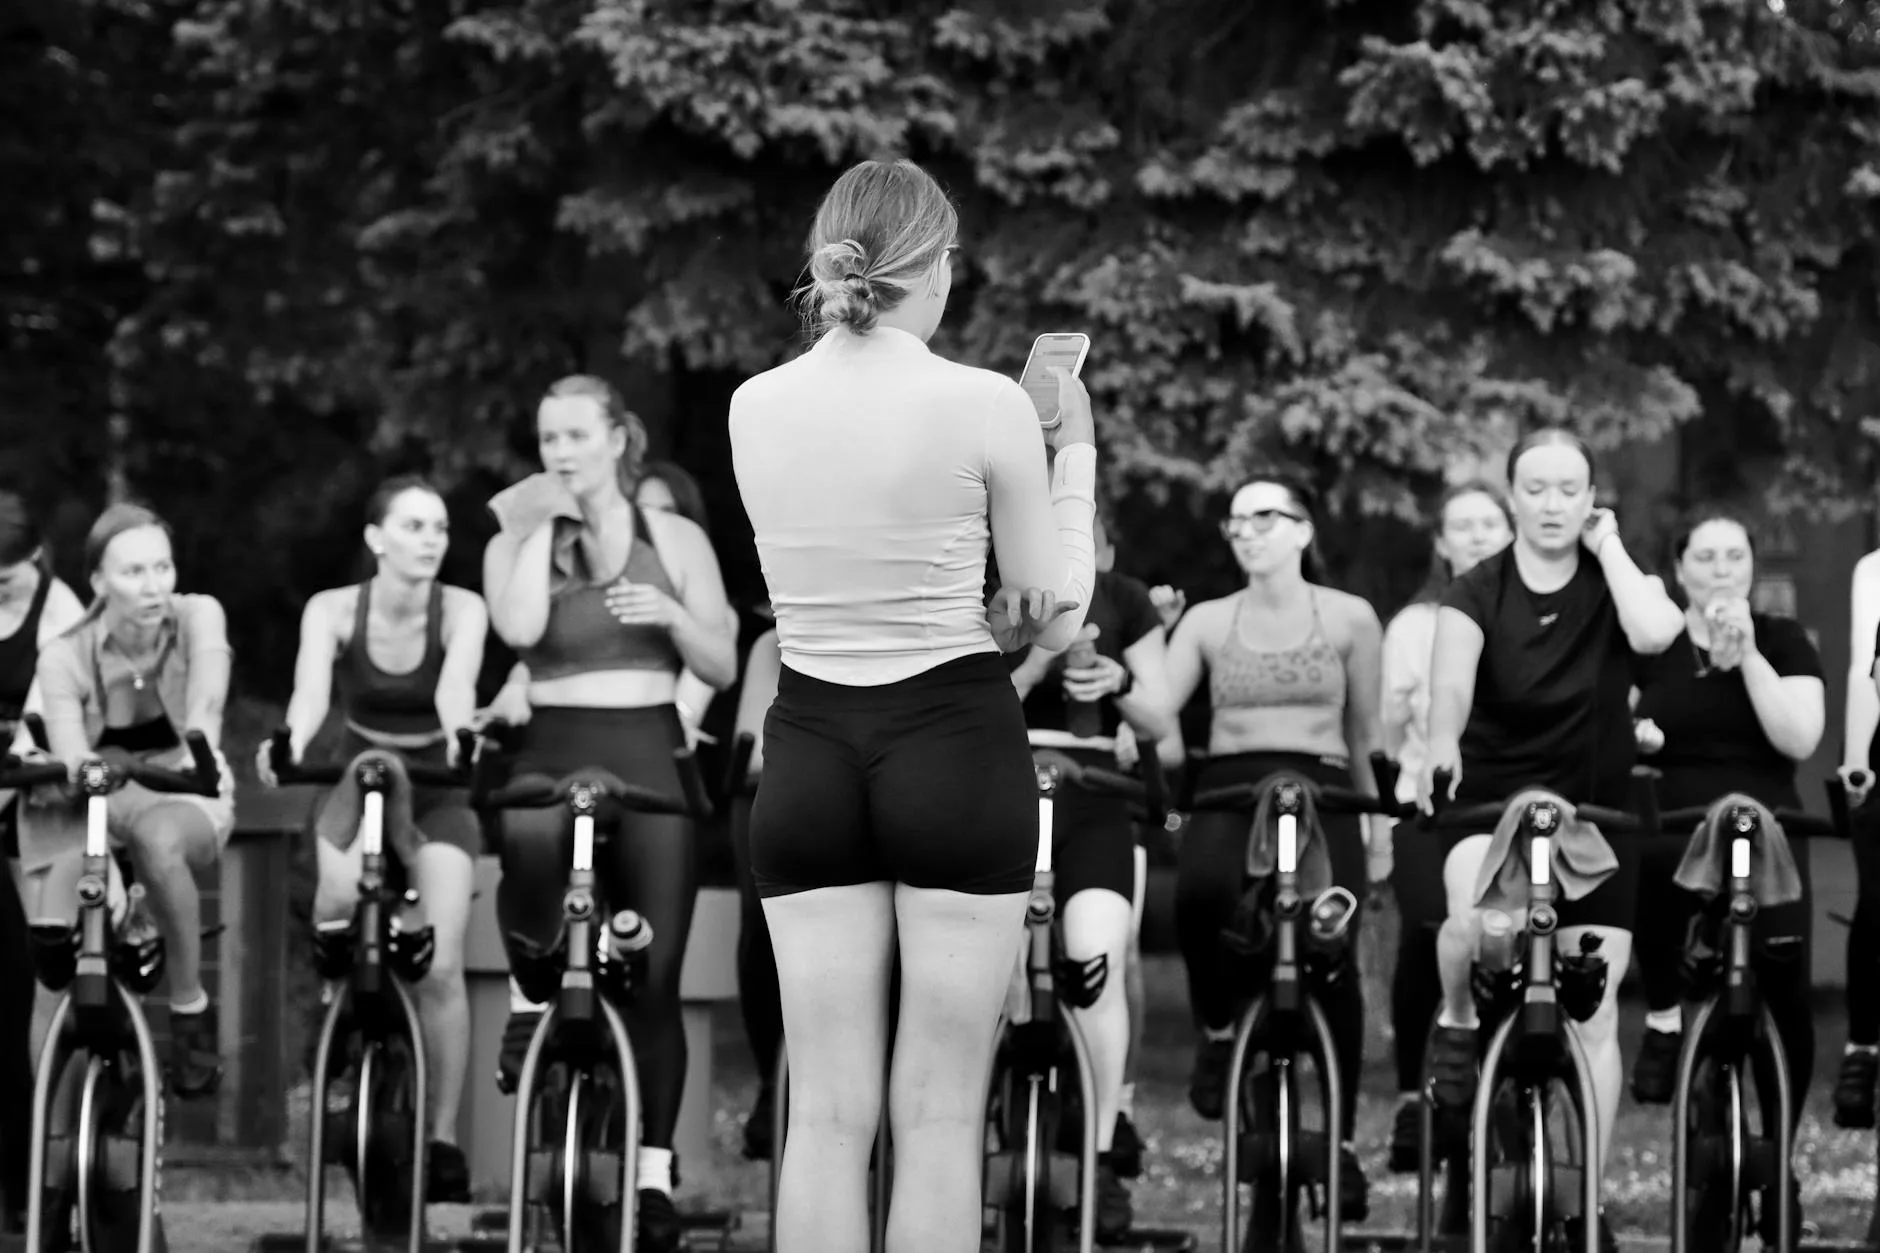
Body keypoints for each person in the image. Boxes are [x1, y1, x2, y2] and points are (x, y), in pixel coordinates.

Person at [729, 157, 1097, 1253]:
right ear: (934, 264)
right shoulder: (985, 402)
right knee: (938, 1115)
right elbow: (1053, 611)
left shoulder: (755, 405)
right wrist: (1067, 456)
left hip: (807, 752)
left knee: (827, 1116)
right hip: (951, 740)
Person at [482, 375, 737, 1253]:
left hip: (650, 745)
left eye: (576, 436)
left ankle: (653, 1173)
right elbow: (516, 629)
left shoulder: (676, 536)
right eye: (547, 437)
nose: (559, 453)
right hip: (553, 740)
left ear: (618, 439)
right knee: (528, 831)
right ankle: (531, 989)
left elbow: (724, 660)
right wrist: (536, 526)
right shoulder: (520, 532)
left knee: (655, 978)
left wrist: (669, 610)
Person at [1416, 428, 1683, 1249]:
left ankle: (1589, 1196)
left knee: (1595, 1014)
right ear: (1511, 497)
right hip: (1493, 803)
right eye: (1537, 487)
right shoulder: (1476, 589)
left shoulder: (1613, 578)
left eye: (1571, 488)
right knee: (1475, 927)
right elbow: (1451, 682)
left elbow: (1656, 634)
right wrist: (1441, 741)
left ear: (1592, 495)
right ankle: (1460, 1018)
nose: (1554, 503)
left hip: (1596, 815)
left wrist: (1612, 549)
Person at [1164, 470, 1388, 1221]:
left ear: (1303, 528)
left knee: (1336, 951)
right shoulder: (1205, 620)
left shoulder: (1353, 617)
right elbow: (1160, 716)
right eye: (1236, 521)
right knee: (1197, 893)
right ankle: (1221, 1029)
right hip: (1229, 787)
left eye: (1265, 516)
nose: (1248, 531)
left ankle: (1345, 1140)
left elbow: (1364, 736)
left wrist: (1377, 827)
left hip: (1325, 789)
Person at [258, 476, 487, 1200]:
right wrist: (288, 742)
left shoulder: (462, 608)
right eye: (414, 526)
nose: (430, 540)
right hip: (356, 778)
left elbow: (456, 689)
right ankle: (336, 1008)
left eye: (440, 528)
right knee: (334, 895)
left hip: (437, 789)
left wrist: (461, 736)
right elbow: (310, 695)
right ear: (375, 537)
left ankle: (444, 1136)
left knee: (441, 963)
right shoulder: (333, 609)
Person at [1629, 509, 1823, 1237]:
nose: (1719, 568)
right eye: (1704, 556)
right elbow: (1615, 729)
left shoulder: (1783, 638)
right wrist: (1636, 735)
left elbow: (1799, 735)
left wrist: (1746, 658)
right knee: (1651, 883)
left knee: (1786, 985)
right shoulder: (1653, 645)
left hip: (1766, 825)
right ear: (1680, 569)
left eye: (1732, 555)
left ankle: (1780, 1156)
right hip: (1674, 828)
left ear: (1749, 566)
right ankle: (1667, 1018)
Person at [20, 503, 238, 1098]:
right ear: (98, 582)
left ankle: (190, 1010)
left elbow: (207, 703)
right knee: (51, 972)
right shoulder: (66, 652)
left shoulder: (198, 616)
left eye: (163, 568)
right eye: (134, 572)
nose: (154, 587)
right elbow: (70, 758)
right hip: (90, 803)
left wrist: (200, 747)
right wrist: (85, 770)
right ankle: (49, 1135)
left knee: (158, 840)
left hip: (178, 789)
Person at [1005, 512, 1177, 1240]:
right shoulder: (1002, 591)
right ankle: (994, 1132)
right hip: (1005, 780)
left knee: (1096, 957)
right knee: (996, 972)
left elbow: (1162, 718)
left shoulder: (1127, 598)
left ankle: (1104, 1147)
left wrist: (1120, 682)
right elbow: (973, 704)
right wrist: (1039, 661)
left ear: (1102, 548)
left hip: (1100, 789)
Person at [1378, 480, 1513, 1169]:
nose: (1479, 535)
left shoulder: (1533, 615)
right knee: (1429, 932)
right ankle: (1414, 1095)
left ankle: (1510, 1087)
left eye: (1491, 521)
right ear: (1442, 542)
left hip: (1508, 803)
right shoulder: (1415, 625)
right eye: (1464, 525)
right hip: (1427, 806)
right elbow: (1389, 723)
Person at [0, 493, 84, 1229]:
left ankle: (36, 1182)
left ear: (34, 560)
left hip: (33, 798)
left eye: (7, 578)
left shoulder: (62, 613)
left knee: (27, 982)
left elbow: (48, 722)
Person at [727, 620, 783, 1160]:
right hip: (790, 786)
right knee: (764, 925)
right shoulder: (774, 643)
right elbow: (752, 759)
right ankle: (773, 1078)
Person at [1833, 545, 1880, 1127]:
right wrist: (1856, 757)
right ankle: (1862, 1049)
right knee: (1875, 902)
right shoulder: (1872, 569)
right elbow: (1863, 668)